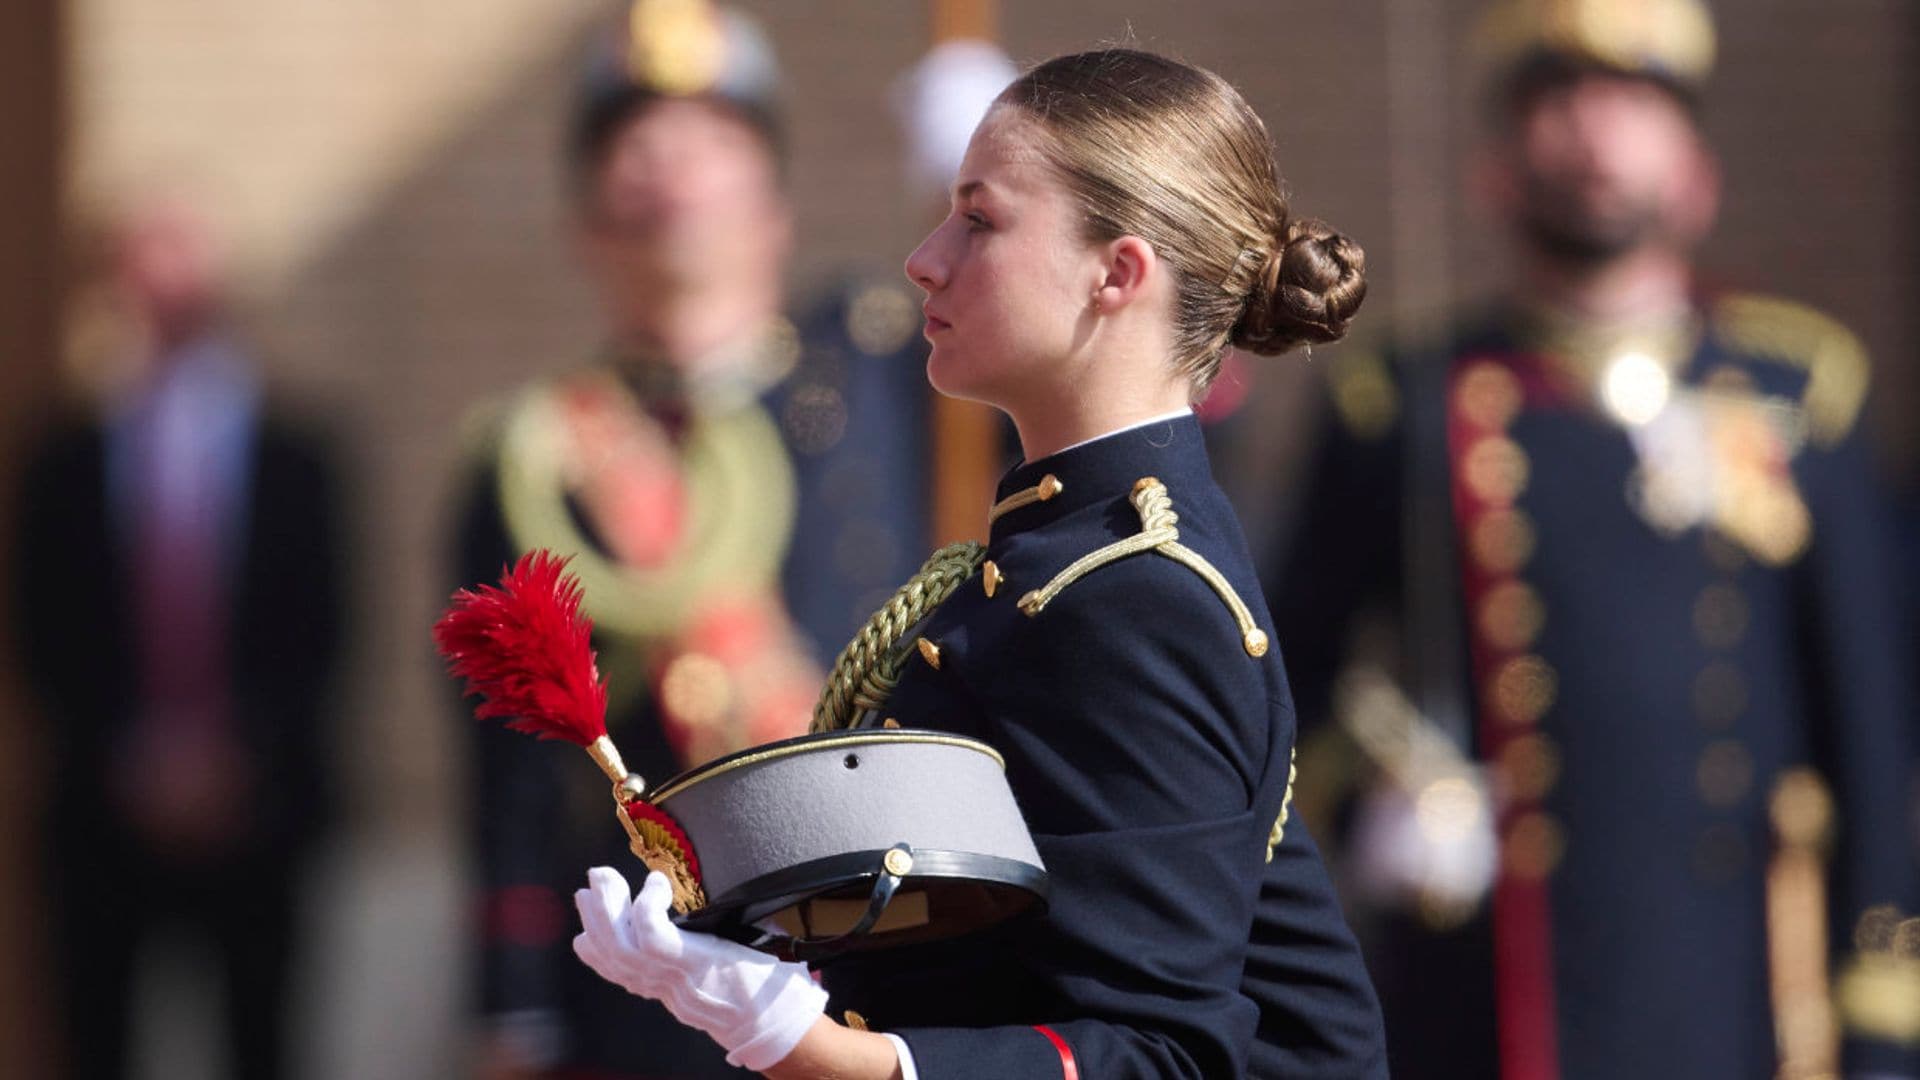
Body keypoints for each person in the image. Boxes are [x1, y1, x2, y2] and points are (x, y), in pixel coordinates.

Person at [567, 47, 1389, 1080]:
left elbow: (1165, 1052)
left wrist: (820, 1053)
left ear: (1118, 272)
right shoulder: (1051, 558)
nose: (924, 257)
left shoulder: (1139, 596)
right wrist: (740, 931)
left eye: (981, 220)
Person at [1268, 0, 1920, 1077]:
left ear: (1695, 166)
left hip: (1735, 985)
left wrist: (1884, 1006)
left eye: (1632, 101)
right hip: (1485, 985)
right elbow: (1286, 687)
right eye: (1555, 99)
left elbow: (1870, 721)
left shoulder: (1800, 391)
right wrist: (1382, 797)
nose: (1592, 132)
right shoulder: (1408, 399)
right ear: (1496, 167)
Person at [449, 2, 931, 1076]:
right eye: (630, 145)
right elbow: (506, 776)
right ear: (584, 220)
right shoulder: (536, 457)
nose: (664, 168)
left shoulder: (881, 368)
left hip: (877, 937)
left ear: (774, 208)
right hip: (643, 976)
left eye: (708, 140)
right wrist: (511, 1003)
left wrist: (1030, 214)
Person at [11, 195, 347, 1079]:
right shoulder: (63, 455)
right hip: (103, 815)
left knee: (263, 1042)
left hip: (262, 811)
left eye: (184, 254)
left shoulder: (300, 453)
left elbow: (326, 630)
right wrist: (135, 756)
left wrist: (238, 753)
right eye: (144, 257)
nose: (165, 281)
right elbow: (41, 633)